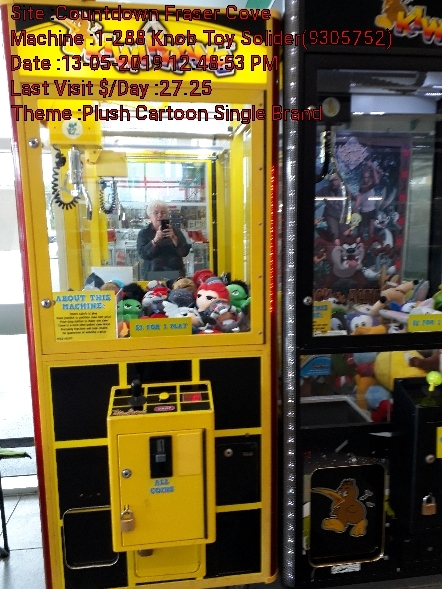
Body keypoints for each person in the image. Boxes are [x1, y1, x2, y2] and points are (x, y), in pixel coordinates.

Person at [137, 200, 191, 280]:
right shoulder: (144, 233)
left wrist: (174, 238)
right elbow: (142, 254)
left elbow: (184, 253)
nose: (160, 215)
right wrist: (155, 240)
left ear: (167, 215)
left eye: (163, 213)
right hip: (151, 274)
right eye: (156, 213)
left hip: (175, 274)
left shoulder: (176, 231)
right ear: (150, 216)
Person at [353, 160, 382, 238]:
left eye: (367, 177)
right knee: (360, 233)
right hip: (364, 212)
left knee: (371, 233)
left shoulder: (371, 182)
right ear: (362, 178)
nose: (366, 179)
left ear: (369, 177)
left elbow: (380, 173)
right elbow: (376, 182)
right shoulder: (363, 187)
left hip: (372, 210)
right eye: (364, 177)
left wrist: (372, 166)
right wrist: (372, 166)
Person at [315, 174, 346, 240]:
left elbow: (357, 196)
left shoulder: (345, 189)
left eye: (335, 180)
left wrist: (355, 207)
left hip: (343, 216)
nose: (333, 182)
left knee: (344, 234)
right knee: (334, 234)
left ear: (339, 180)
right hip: (331, 215)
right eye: (331, 180)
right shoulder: (325, 190)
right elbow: (315, 195)